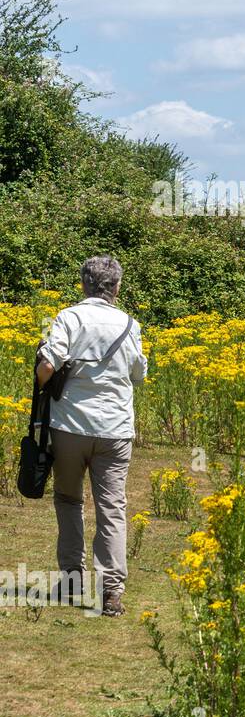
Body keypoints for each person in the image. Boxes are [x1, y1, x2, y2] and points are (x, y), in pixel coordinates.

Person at [36, 256, 148, 617]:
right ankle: (111, 592)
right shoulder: (130, 324)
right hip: (115, 430)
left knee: (69, 500)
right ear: (116, 287)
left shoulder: (69, 317)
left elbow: (49, 363)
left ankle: (71, 579)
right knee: (112, 507)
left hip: (69, 426)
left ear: (84, 284)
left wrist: (42, 382)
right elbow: (138, 375)